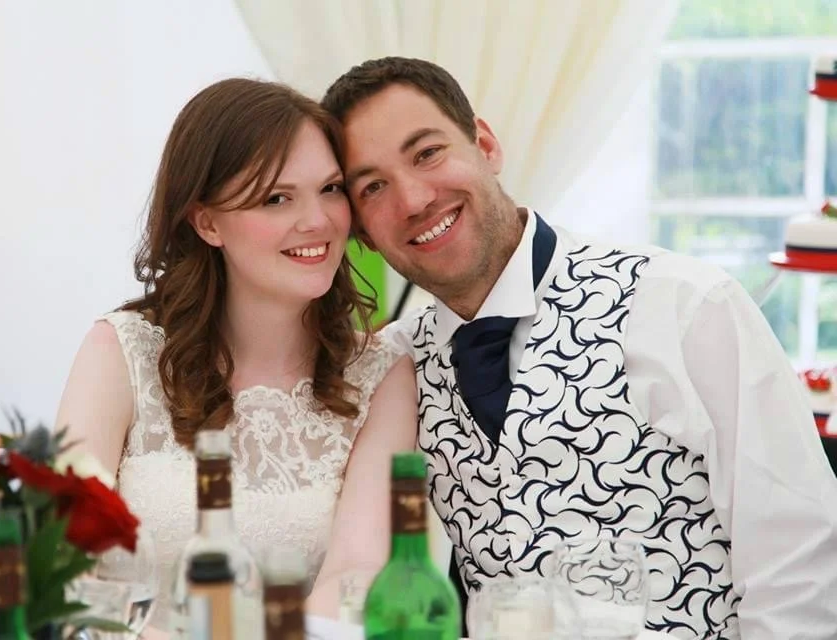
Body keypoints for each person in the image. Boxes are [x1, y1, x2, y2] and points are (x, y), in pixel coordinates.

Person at [319, 56, 837, 638]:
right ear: (360, 226)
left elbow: (798, 566)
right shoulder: (395, 367)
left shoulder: (685, 305)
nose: (413, 199)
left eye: (427, 153)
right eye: (374, 186)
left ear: (485, 145)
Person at [54, 78, 418, 633]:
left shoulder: (382, 372)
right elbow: (67, 560)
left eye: (330, 188)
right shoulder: (119, 352)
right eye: (277, 198)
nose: (318, 221)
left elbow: (356, 571)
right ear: (206, 222)